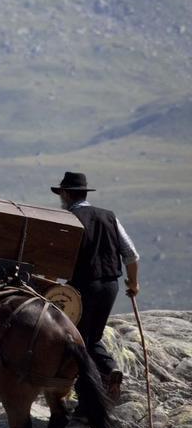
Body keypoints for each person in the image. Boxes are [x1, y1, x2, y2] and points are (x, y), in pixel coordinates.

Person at [54, 171, 139, 403]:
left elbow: (56, 258)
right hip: (110, 286)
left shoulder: (69, 219)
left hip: (83, 287)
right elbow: (131, 255)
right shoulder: (109, 217)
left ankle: (87, 401)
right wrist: (133, 284)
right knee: (93, 337)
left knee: (79, 340)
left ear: (65, 194)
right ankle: (108, 370)